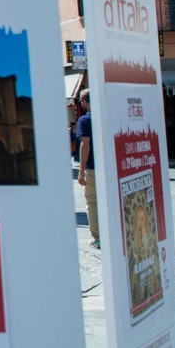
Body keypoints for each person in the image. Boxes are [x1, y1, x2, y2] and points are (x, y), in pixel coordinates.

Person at [76, 89, 99, 249]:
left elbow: (85, 145)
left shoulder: (85, 120)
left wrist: (80, 170)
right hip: (111, 167)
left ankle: (97, 237)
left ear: (84, 102)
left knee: (92, 201)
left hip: (93, 167)